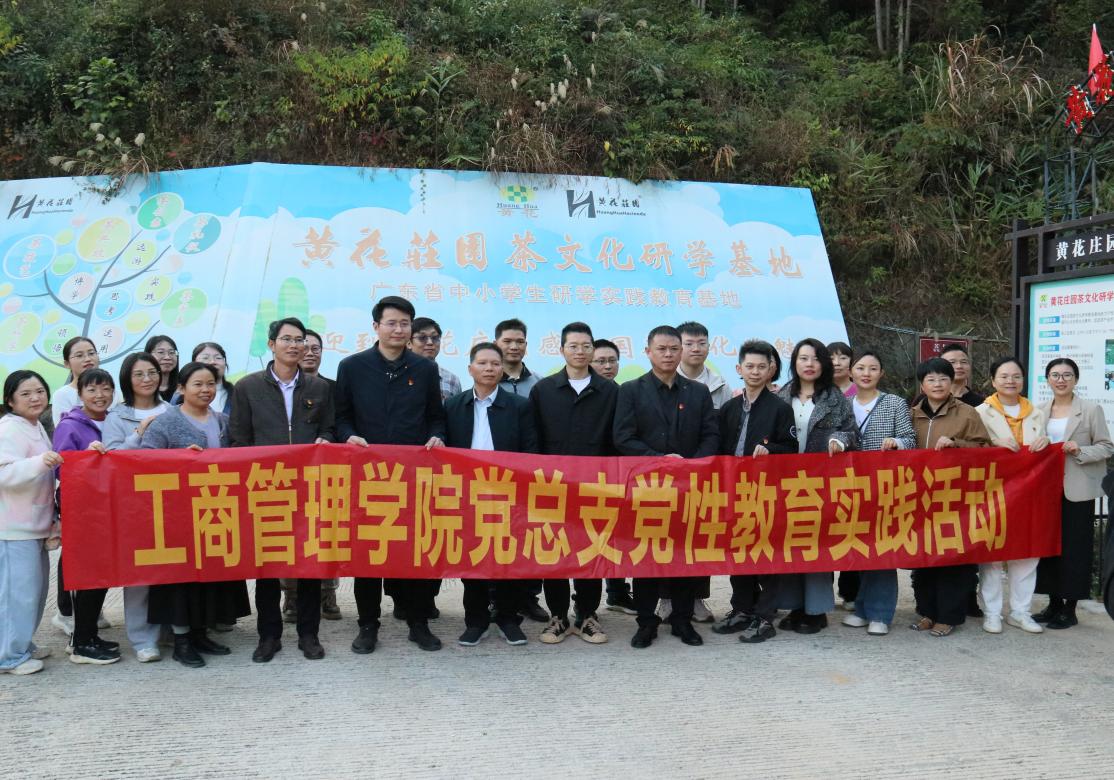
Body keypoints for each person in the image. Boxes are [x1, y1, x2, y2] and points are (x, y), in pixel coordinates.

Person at [336, 295, 447, 653]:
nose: (398, 329)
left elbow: (436, 416)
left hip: (412, 477)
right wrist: (348, 435)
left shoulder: (424, 369)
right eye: (391, 323)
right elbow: (341, 417)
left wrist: (437, 436)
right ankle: (368, 624)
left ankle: (418, 623)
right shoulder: (352, 367)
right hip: (366, 476)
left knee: (413, 551)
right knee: (367, 553)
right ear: (376, 327)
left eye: (404, 323)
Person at [229, 317, 335, 663]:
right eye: (287, 339)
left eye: (299, 340)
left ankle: (309, 634)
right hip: (266, 489)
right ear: (271, 344)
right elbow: (238, 439)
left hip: (309, 488)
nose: (294, 345)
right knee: (267, 567)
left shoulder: (319, 388)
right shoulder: (247, 387)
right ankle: (269, 635)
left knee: (309, 565)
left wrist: (326, 440)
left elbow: (329, 429)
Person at [614, 325, 718, 648]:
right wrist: (660, 460)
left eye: (674, 349)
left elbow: (711, 435)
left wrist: (688, 466)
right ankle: (646, 622)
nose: (669, 354)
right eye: (661, 349)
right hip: (647, 488)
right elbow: (622, 437)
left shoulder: (698, 392)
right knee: (646, 556)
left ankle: (682, 621)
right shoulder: (630, 390)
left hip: (688, 487)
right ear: (648, 352)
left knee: (684, 555)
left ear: (681, 351)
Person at [141, 362, 251, 668]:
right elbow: (143, 462)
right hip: (177, 517)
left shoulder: (224, 421)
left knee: (209, 576)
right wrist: (178, 460)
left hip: (215, 513)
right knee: (180, 580)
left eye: (210, 384)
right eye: (198, 384)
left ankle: (201, 633)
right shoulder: (165, 422)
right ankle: (182, 641)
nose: (205, 390)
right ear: (181, 388)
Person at [445, 342, 537, 647]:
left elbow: (531, 451)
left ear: (502, 369)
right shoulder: (454, 406)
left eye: (495, 364)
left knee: (508, 557)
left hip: (508, 493)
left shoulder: (519, 406)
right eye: (482, 363)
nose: (489, 369)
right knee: (472, 558)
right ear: (470, 368)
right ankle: (476, 621)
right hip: (467, 494)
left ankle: (508, 619)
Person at [530, 322, 616, 645]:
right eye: (573, 346)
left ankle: (587, 615)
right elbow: (533, 440)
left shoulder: (611, 391)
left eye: (586, 346)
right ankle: (558, 616)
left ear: (593, 349)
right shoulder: (544, 390)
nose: (580, 352)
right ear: (561, 350)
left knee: (591, 550)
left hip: (596, 487)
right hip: (552, 487)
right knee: (554, 551)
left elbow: (616, 440)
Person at [712, 340, 797, 644]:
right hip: (733, 492)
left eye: (762, 366)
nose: (755, 371)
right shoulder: (730, 408)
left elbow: (791, 449)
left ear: (771, 370)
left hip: (766, 493)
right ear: (739, 368)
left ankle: (765, 616)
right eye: (750, 366)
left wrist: (770, 450)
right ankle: (741, 608)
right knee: (738, 552)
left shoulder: (780, 408)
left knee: (765, 553)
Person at [776, 338, 857, 634]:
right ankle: (795, 606)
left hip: (820, 485)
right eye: (803, 358)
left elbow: (852, 433)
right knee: (789, 546)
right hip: (784, 484)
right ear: (794, 363)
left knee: (817, 546)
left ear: (824, 364)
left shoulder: (835, 398)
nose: (809, 364)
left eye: (815, 359)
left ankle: (817, 611)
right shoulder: (782, 395)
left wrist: (839, 440)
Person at [909, 357, 991, 637]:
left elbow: (985, 449)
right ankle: (927, 612)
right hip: (920, 498)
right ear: (922, 385)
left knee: (952, 560)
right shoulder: (912, 414)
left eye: (943, 378)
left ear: (952, 381)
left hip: (955, 498)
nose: (937, 384)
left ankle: (948, 616)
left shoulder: (967, 413)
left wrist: (957, 444)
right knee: (923, 559)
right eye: (931, 379)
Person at [839, 351, 916, 636]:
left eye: (873, 368)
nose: (866, 373)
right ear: (851, 372)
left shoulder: (894, 403)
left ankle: (881, 614)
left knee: (883, 550)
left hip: (886, 488)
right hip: (852, 488)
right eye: (861, 368)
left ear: (881, 373)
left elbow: (911, 439)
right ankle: (862, 608)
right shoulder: (843, 404)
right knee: (862, 548)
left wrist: (896, 442)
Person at [102, 352, 171, 663]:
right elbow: (111, 458)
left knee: (171, 569)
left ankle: (169, 629)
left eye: (152, 372)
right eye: (139, 374)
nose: (147, 379)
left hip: (170, 500)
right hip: (135, 504)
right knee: (140, 573)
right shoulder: (116, 417)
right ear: (127, 380)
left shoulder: (172, 410)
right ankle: (143, 639)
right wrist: (139, 432)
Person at [1035, 358, 1114, 629]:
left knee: (1075, 550)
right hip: (1047, 489)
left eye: (1067, 375)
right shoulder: (1039, 411)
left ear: (1076, 379)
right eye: (1055, 375)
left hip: (1077, 490)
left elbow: (1106, 446)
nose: (1061, 380)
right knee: (1049, 548)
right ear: (1047, 379)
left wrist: (1080, 450)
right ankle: (1053, 603)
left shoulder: (1090, 410)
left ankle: (1069, 609)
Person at [975, 358, 1050, 634]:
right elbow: (971, 449)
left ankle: (1021, 611)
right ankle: (992, 612)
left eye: (1016, 376)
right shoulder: (980, 412)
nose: (1011, 381)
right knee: (992, 553)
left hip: (1029, 491)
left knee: (1027, 551)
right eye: (1004, 376)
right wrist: (993, 444)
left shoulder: (1037, 412)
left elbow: (1045, 450)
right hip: (993, 491)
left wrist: (1046, 442)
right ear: (993, 380)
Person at [53, 368, 119, 664]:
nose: (99, 395)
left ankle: (88, 635)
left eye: (105, 389)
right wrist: (86, 458)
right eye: (91, 390)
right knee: (88, 573)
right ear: (79, 394)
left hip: (108, 508)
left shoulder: (113, 421)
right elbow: (61, 468)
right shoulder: (70, 426)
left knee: (101, 572)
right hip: (83, 511)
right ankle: (80, 643)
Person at [0, 371, 61, 676]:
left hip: (34, 524)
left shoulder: (35, 426)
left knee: (34, 593)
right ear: (10, 400)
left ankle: (21, 643)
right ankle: (8, 656)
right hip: (13, 528)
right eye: (25, 394)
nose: (35, 398)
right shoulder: (9, 428)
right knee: (17, 596)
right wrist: (39, 463)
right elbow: (4, 473)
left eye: (39, 391)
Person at [282, 328, 342, 623]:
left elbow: (337, 426)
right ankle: (291, 597)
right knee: (289, 538)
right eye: (303, 346)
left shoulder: (333, 388)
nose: (309, 352)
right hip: (286, 476)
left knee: (326, 536)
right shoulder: (281, 388)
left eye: (315, 347)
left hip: (326, 476)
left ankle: (328, 593)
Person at [590, 338, 633, 612]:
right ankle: (586, 602)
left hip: (618, 475)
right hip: (585, 477)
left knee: (617, 535)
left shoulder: (624, 393)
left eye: (612, 361)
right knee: (587, 537)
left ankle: (617, 592)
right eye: (601, 361)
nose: (607, 366)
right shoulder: (583, 392)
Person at [411, 316, 462, 402]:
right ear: (408, 343)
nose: (430, 342)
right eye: (422, 338)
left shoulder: (452, 380)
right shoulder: (400, 376)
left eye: (434, 338)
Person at [495, 318, 538, 397]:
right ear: (495, 344)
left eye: (520, 342)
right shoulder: (487, 383)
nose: (514, 347)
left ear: (526, 345)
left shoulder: (539, 382)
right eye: (507, 341)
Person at [191, 342, 235, 415]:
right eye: (205, 358)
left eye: (218, 358)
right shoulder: (182, 396)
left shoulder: (238, 395)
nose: (213, 362)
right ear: (193, 364)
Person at [145, 335, 180, 403]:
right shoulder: (142, 388)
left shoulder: (183, 387)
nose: (167, 357)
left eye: (171, 352)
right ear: (148, 355)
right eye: (161, 352)